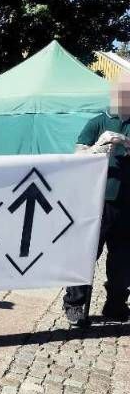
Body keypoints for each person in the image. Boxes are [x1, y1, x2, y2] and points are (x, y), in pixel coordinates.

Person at [63, 72, 130, 327]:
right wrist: (97, 148)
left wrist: (126, 141)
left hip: (127, 202)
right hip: (96, 201)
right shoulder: (97, 122)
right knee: (86, 254)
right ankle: (75, 305)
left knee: (123, 259)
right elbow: (77, 156)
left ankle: (116, 305)